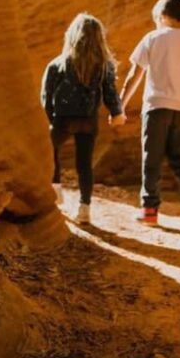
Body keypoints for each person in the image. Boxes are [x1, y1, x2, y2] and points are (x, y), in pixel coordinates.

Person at [119, 0, 180, 235]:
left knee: (152, 159)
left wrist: (119, 106)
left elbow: (134, 75)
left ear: (161, 17)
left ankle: (150, 211)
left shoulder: (152, 38)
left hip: (157, 107)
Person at [41, 13, 126, 224]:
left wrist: (48, 119)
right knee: (84, 165)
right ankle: (85, 208)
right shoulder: (104, 66)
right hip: (88, 121)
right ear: (99, 39)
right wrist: (117, 113)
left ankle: (55, 186)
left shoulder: (58, 64)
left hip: (62, 119)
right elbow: (110, 94)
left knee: (48, 149)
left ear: (72, 36)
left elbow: (46, 96)